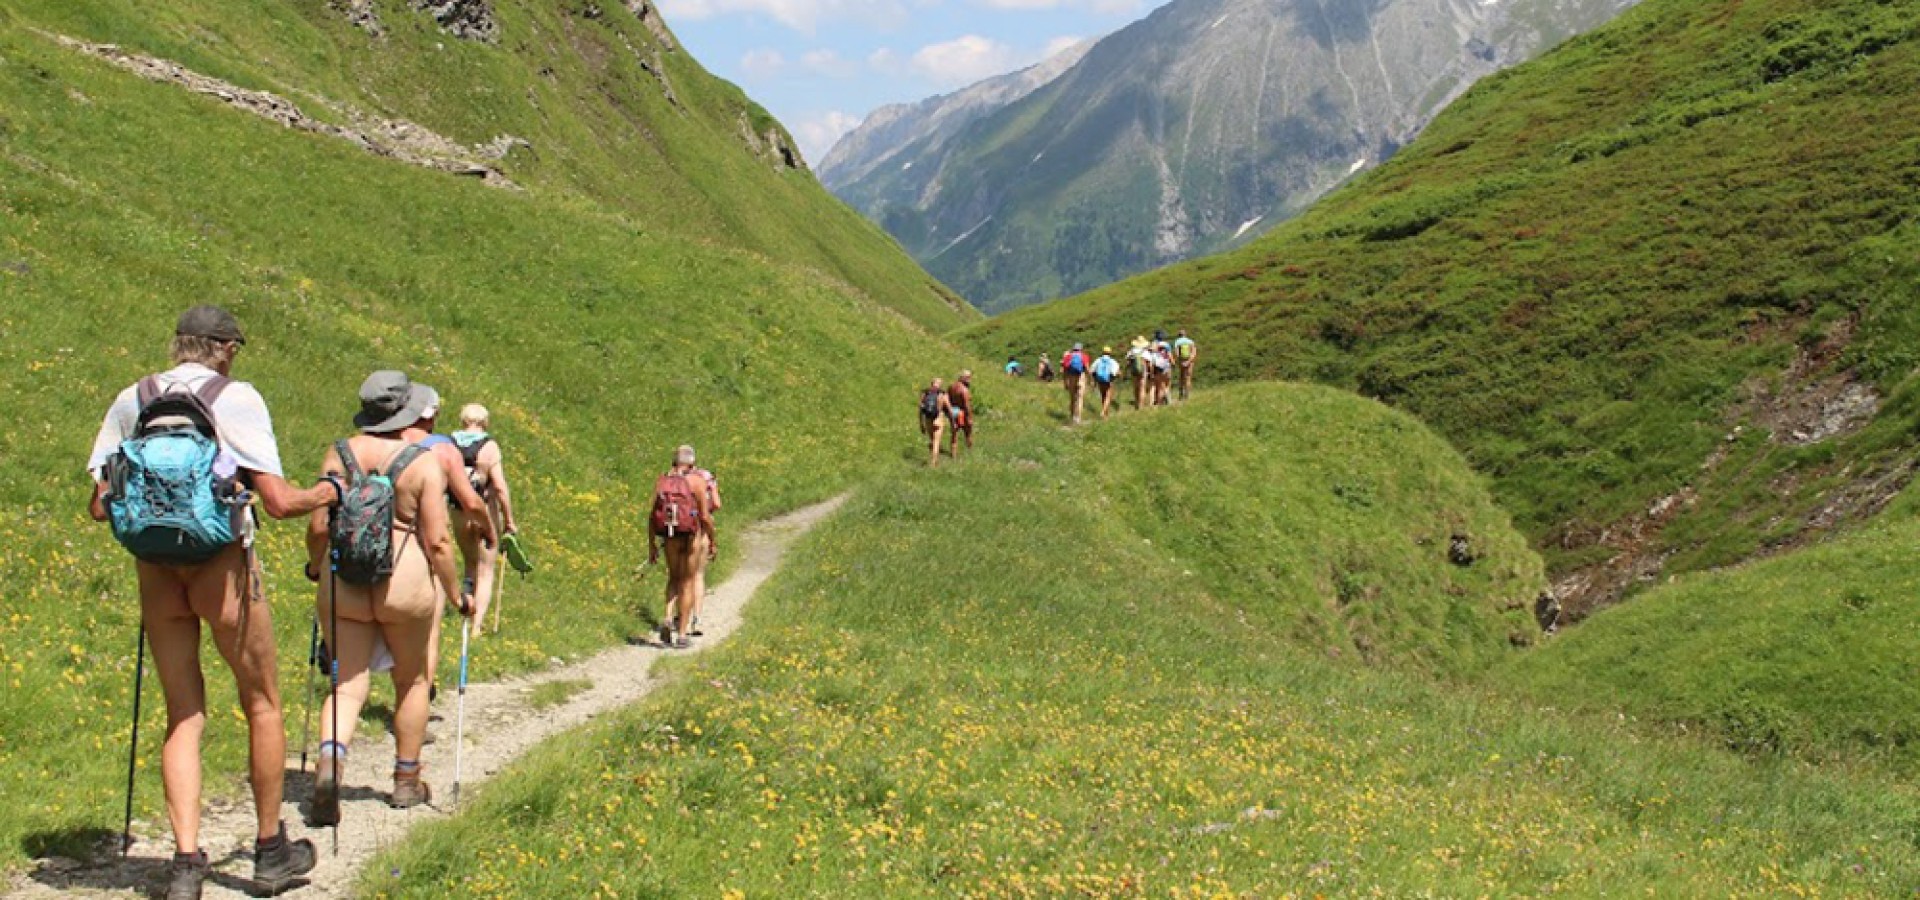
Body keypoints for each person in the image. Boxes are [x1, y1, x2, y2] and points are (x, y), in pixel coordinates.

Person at [86, 305, 335, 899]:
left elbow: (100, 503)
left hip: (155, 569)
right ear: (225, 349)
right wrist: (325, 494)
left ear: (178, 346)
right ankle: (271, 852)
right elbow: (275, 500)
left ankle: (185, 863)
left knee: (184, 715)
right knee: (262, 702)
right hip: (222, 565)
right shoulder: (237, 397)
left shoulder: (134, 396)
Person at [306, 371, 471, 824]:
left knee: (347, 684)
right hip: (406, 584)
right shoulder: (421, 462)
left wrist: (316, 566)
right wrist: (457, 594)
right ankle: (406, 779)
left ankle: (331, 765)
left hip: (345, 583)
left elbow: (319, 525)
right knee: (412, 681)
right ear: (405, 412)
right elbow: (437, 540)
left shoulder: (339, 454)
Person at [449, 404, 517, 634]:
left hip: (458, 512)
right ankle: (477, 627)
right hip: (484, 513)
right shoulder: (489, 447)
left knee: (469, 564)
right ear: (485, 421)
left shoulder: (450, 444)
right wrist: (509, 520)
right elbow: (498, 485)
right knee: (486, 569)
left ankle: (465, 613)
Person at [648, 446, 716, 648]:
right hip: (690, 537)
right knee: (687, 581)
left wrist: (651, 544)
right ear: (693, 464)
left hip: (669, 536)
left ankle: (668, 617)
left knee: (673, 577)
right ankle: (683, 633)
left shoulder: (662, 482)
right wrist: (712, 539)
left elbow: (652, 516)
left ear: (673, 462)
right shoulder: (697, 482)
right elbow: (704, 516)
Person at [671, 446, 721, 637]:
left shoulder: (668, 478)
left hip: (673, 532)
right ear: (693, 461)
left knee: (677, 577)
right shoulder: (704, 477)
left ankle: (676, 617)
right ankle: (696, 619)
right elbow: (716, 503)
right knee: (697, 576)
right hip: (698, 530)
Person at [918, 378, 951, 468]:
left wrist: (921, 424)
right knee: (936, 442)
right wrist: (952, 421)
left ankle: (934, 458)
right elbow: (949, 408)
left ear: (931, 383)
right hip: (938, 420)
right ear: (940, 385)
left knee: (932, 440)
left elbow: (920, 408)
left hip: (928, 420)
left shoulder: (925, 393)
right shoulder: (942, 394)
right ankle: (933, 463)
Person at [1060, 343, 1091, 425]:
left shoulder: (1068, 356)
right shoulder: (1084, 356)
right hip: (1081, 377)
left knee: (1072, 398)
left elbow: (1064, 370)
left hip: (1071, 378)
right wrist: (1090, 379)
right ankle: (1078, 418)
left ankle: (1072, 416)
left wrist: (1065, 382)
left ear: (1073, 349)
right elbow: (1087, 369)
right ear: (1081, 349)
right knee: (1080, 398)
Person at [947, 371, 975, 458]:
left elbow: (948, 400)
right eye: (969, 378)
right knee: (968, 433)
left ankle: (953, 455)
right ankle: (970, 452)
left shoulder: (951, 387)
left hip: (953, 411)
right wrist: (970, 418)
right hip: (962, 413)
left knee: (954, 434)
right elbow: (967, 405)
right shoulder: (964, 390)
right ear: (964, 378)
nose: (970, 380)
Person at [1090, 346, 1121, 420]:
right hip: (1108, 381)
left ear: (1102, 352)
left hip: (1100, 380)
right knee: (1108, 397)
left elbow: (1092, 370)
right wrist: (1118, 375)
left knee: (1103, 396)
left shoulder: (1098, 360)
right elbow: (1116, 372)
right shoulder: (1112, 361)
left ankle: (1105, 415)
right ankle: (1103, 412)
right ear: (1110, 353)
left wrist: (1094, 380)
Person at [1149, 330, 1175, 407]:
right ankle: (1165, 401)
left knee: (1158, 385)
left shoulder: (1153, 344)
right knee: (1166, 384)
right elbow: (1170, 355)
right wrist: (1173, 363)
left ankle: (1157, 402)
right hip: (1166, 365)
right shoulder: (1166, 344)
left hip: (1156, 366)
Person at [1172, 329, 1198, 401]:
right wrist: (1189, 361)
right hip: (1190, 361)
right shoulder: (1191, 341)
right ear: (1186, 335)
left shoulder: (1177, 341)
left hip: (1182, 360)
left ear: (1179, 335)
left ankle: (1181, 394)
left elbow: (1177, 354)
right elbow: (1194, 353)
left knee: (1181, 377)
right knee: (1188, 378)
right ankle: (1187, 395)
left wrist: (1180, 361)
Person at [1126, 337, 1151, 411]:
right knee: (1142, 388)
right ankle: (1141, 405)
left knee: (1136, 388)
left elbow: (1127, 362)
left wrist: (1127, 371)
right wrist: (1150, 371)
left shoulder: (1131, 351)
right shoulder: (1145, 352)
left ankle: (1136, 403)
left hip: (1134, 371)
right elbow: (1149, 363)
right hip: (1143, 371)